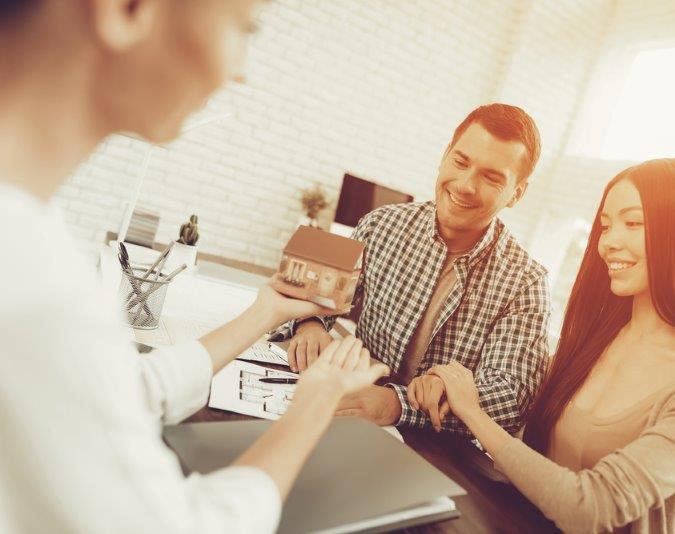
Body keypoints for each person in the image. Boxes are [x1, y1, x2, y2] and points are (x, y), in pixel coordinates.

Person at [0, 1, 388, 533]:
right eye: (243, 26)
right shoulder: (32, 286)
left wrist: (263, 313)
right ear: (126, 10)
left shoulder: (29, 246)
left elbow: (115, 392)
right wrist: (316, 401)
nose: (240, 70)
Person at [427, 159, 675, 533]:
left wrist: (474, 414)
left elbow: (590, 508)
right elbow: (520, 414)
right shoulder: (594, 339)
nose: (609, 241)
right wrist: (449, 386)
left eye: (633, 223)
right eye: (606, 225)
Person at [281, 103, 552, 435]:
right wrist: (310, 325)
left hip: (438, 447)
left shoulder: (528, 282)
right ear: (444, 156)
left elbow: (511, 397)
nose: (466, 184)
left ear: (517, 194)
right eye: (461, 162)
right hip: (349, 413)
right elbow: (317, 297)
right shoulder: (379, 224)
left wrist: (397, 405)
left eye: (491, 177)